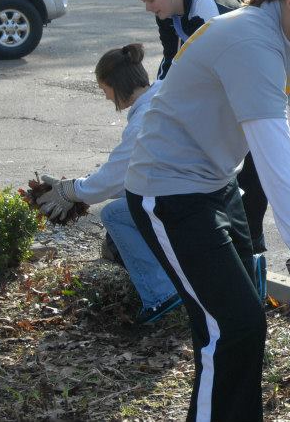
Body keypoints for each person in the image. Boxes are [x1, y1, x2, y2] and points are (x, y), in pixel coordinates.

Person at [125, 0, 290, 422]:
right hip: (167, 192)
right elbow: (275, 157)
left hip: (215, 185)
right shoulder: (251, 41)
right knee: (233, 328)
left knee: (235, 326)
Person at [131, 0, 270, 293]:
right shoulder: (172, 14)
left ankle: (254, 275)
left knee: (250, 184)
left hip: (246, 105)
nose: (149, 7)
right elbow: (171, 62)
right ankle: (239, 272)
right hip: (218, 109)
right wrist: (154, 103)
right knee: (228, 189)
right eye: (144, 2)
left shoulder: (210, 13)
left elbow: (221, 72)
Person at [36, 44, 182, 324]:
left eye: (104, 90)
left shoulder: (144, 118)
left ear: (115, 84)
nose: (105, 97)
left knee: (115, 214)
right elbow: (130, 177)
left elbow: (115, 177)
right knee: (128, 207)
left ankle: (160, 294)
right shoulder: (162, 95)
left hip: (183, 196)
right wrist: (79, 190)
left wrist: (71, 190)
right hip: (198, 186)